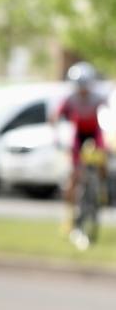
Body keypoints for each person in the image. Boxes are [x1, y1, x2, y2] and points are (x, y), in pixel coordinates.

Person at [53, 61, 106, 215]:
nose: (82, 90)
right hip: (78, 134)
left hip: (94, 133)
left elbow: (108, 113)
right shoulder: (70, 99)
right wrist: (56, 134)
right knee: (74, 172)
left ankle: (101, 187)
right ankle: (70, 211)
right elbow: (56, 116)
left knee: (102, 159)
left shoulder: (97, 98)